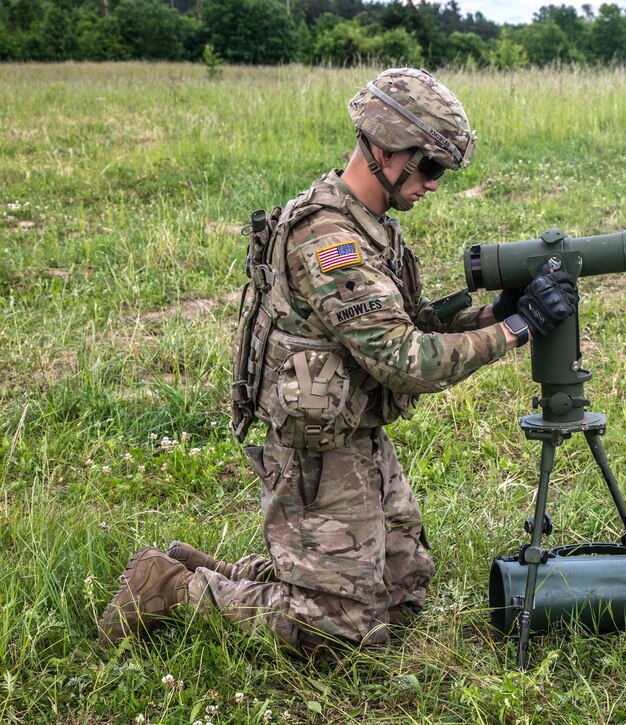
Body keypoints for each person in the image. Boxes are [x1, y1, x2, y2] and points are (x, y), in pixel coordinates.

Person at [97, 68, 579, 659]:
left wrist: (493, 315)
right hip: (316, 454)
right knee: (340, 633)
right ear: (383, 148)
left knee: (402, 595)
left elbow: (408, 326)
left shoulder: (373, 226)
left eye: (441, 171)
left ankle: (246, 575)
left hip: (358, 437)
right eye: (428, 166)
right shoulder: (329, 239)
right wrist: (513, 330)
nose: (433, 183)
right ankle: (171, 588)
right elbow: (405, 360)